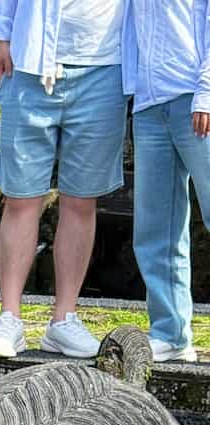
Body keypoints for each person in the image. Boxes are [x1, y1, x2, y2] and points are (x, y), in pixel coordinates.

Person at [0, 0, 130, 359]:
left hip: (105, 67)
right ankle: (9, 318)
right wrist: (0, 35)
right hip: (30, 62)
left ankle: (64, 320)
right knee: (21, 198)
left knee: (81, 201)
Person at [125, 0, 210, 363]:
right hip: (148, 105)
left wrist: (207, 91)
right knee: (156, 228)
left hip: (196, 99)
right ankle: (171, 333)